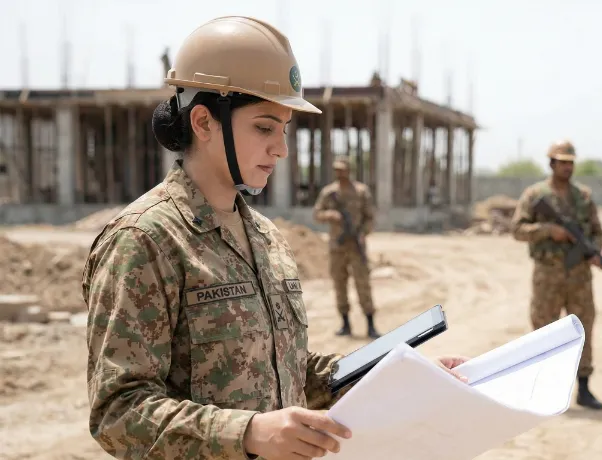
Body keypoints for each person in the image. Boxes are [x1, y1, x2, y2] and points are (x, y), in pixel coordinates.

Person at [82, 16, 468, 460]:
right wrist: (246, 433)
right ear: (205, 122)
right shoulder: (145, 241)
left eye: (283, 130)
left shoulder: (266, 238)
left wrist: (403, 375)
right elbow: (117, 411)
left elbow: (288, 368)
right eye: (264, 127)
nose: (280, 149)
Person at [511, 140, 602, 410]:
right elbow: (517, 229)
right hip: (547, 275)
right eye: (562, 162)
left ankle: (584, 389)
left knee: (583, 327)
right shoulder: (535, 194)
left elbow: (597, 231)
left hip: (579, 276)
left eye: (570, 163)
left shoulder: (583, 197)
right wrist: (547, 230)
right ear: (551, 163)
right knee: (543, 331)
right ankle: (542, 390)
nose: (567, 167)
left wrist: (595, 251)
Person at [312, 157, 380, 338]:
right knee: (339, 284)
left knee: (363, 284)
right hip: (337, 246)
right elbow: (317, 214)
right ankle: (345, 324)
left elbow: (370, 217)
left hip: (356, 246)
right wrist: (330, 214)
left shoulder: (361, 191)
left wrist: (362, 234)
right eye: (336, 170)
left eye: (342, 169)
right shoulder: (329, 192)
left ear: (349, 170)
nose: (339, 173)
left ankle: (370, 324)